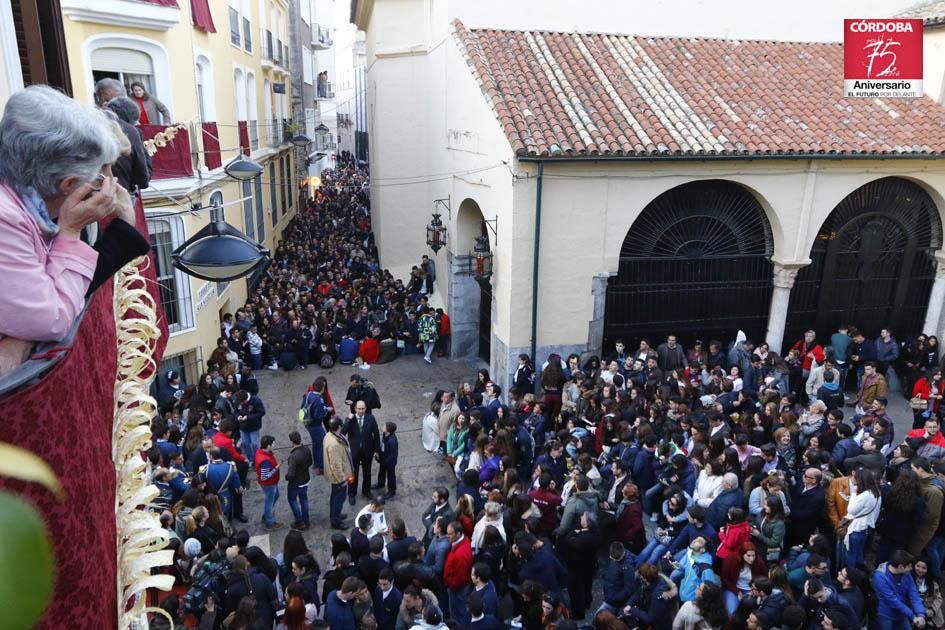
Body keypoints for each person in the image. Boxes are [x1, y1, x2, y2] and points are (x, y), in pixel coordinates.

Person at [0, 85, 149, 374]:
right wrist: (71, 231)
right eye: (103, 173)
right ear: (68, 185)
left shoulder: (27, 200)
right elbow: (50, 320)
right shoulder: (7, 219)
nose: (111, 184)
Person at [872, 550, 925, 630]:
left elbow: (914, 593)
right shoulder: (880, 578)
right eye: (910, 566)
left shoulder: (906, 573)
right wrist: (913, 616)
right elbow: (893, 601)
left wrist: (921, 614)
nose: (911, 569)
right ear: (900, 566)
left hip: (901, 614)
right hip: (885, 616)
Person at [344, 399, 380, 502]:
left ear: (366, 408)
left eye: (362, 408)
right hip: (354, 452)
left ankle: (366, 491)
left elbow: (376, 434)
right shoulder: (350, 420)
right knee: (352, 474)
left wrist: (376, 450)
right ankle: (351, 493)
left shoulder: (371, 418)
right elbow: (343, 432)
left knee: (367, 473)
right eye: (358, 409)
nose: (360, 411)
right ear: (355, 409)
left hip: (367, 451)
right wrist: (349, 420)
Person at [324, 418, 354, 530]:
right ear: (339, 427)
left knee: (334, 497)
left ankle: (334, 516)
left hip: (335, 477)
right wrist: (342, 480)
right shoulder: (334, 444)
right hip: (338, 478)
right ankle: (336, 521)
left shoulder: (329, 435)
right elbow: (335, 466)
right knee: (339, 499)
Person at [443, 520, 473, 625]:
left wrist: (450, 585)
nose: (448, 536)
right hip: (456, 587)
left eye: (450, 534)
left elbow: (460, 578)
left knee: (459, 613)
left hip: (457, 590)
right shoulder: (462, 542)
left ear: (458, 533)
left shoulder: (460, 555)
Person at [285, 430, 313, 531]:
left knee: (292, 500)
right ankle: (306, 520)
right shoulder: (306, 450)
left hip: (295, 482)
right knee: (304, 499)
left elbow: (291, 474)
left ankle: (299, 521)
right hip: (305, 479)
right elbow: (310, 462)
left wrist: (286, 477)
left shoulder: (293, 456)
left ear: (292, 442)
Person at [254, 434, 282, 530]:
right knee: (269, 502)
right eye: (273, 443)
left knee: (276, 495)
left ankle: (267, 514)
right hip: (269, 484)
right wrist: (276, 468)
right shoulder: (265, 461)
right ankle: (270, 522)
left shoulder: (260, 452)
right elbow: (265, 477)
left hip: (272, 483)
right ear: (268, 446)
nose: (274, 445)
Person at [375, 421, 399, 500]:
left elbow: (392, 455)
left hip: (390, 462)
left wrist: (384, 461)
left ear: (388, 430)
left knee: (390, 476)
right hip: (384, 458)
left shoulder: (392, 441)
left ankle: (392, 491)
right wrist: (378, 453)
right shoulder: (385, 435)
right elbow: (382, 445)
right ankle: (380, 484)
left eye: (384, 426)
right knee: (381, 472)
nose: (382, 427)